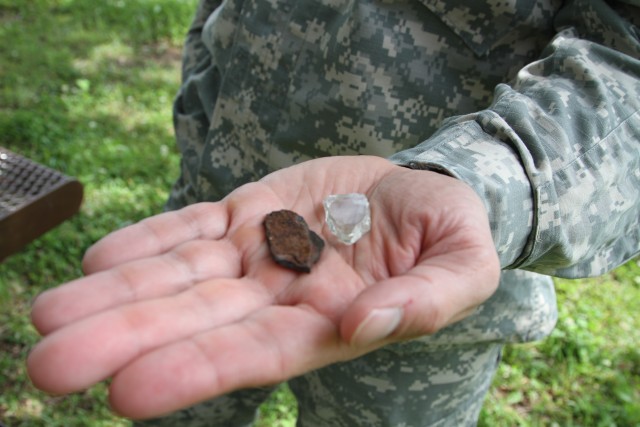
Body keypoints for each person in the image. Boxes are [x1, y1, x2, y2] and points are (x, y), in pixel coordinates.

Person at [27, 0, 639, 425]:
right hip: (222, 210)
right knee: (170, 403)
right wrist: (199, 106)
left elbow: (625, 62)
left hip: (410, 280)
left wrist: (475, 183)